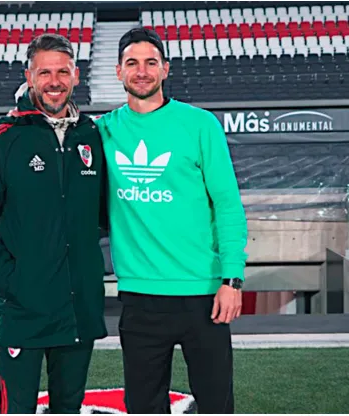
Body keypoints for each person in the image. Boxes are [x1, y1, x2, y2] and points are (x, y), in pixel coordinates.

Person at [94, 28, 249, 413]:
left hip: (205, 294)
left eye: (150, 63)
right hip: (140, 297)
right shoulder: (103, 131)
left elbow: (228, 206)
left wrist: (232, 279)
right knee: (144, 406)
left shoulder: (200, 125)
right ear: (118, 72)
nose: (141, 71)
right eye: (132, 63)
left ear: (166, 69)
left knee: (216, 403)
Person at [0, 33, 108, 414]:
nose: (54, 81)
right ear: (29, 75)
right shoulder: (2, 139)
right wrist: (14, 280)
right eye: (44, 72)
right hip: (24, 311)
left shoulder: (93, 136)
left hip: (79, 310)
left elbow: (107, 216)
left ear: (76, 76)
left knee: (68, 407)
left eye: (62, 71)